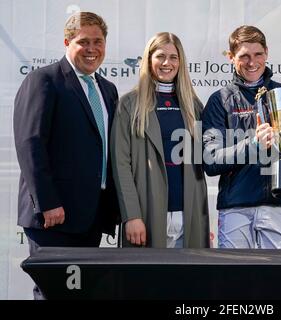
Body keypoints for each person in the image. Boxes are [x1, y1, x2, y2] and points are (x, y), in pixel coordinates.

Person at [13, 12, 120, 299]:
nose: (92, 49)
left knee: (83, 292)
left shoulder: (107, 90)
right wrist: (48, 203)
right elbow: (30, 144)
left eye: (98, 41)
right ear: (66, 42)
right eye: (83, 41)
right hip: (54, 218)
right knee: (54, 293)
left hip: (90, 217)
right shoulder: (43, 80)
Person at [202, 25, 281, 249]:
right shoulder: (220, 100)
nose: (252, 62)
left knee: (277, 279)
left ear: (267, 53)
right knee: (234, 279)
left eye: (258, 54)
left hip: (279, 206)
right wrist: (253, 144)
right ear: (231, 57)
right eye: (244, 56)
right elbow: (211, 161)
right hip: (235, 207)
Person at [111, 32, 209, 248]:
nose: (167, 63)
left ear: (181, 62)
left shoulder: (194, 106)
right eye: (160, 56)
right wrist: (131, 216)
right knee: (146, 281)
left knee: (188, 280)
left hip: (188, 214)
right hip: (146, 214)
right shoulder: (129, 105)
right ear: (148, 59)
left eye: (174, 57)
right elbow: (120, 166)